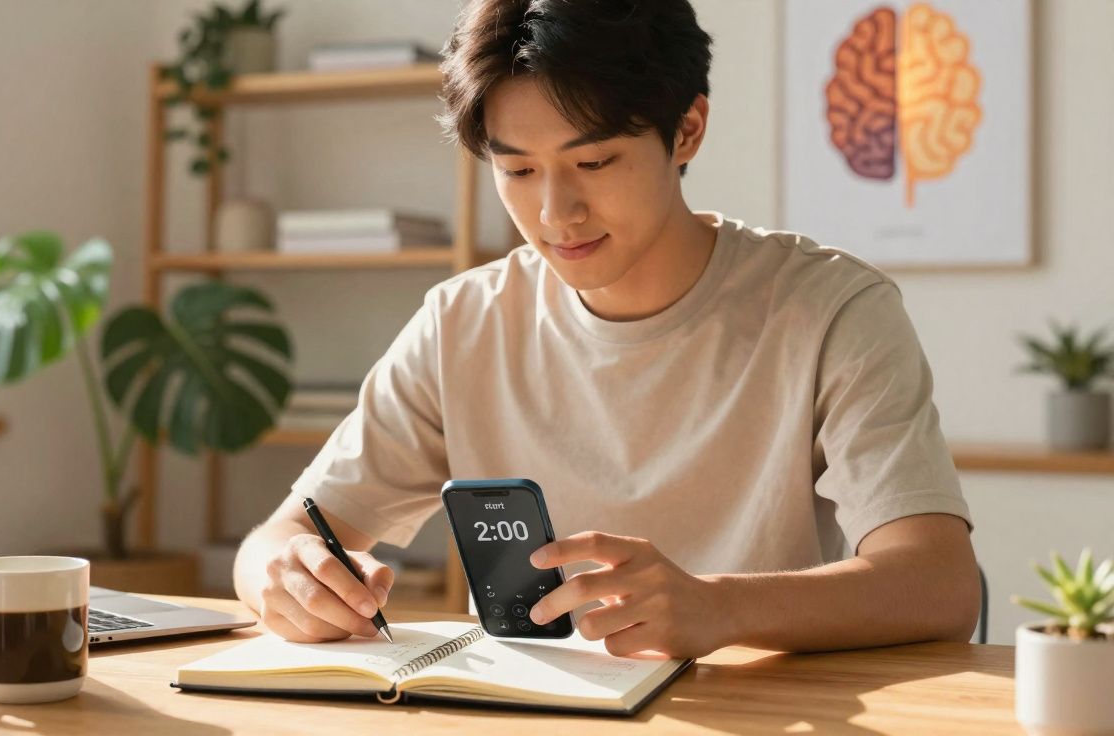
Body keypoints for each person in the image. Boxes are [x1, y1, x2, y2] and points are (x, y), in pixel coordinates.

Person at [234, 0, 980, 659]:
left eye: (592, 160)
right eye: (519, 172)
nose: (557, 214)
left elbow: (938, 584)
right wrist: (285, 574)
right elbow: (280, 538)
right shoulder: (462, 322)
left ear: (686, 130)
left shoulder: (832, 310)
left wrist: (718, 609)